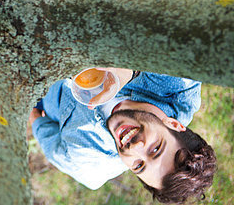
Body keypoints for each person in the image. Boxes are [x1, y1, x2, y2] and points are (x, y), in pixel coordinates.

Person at [28, 68, 216, 203]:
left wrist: (33, 116)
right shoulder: (179, 83)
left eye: (139, 165)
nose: (134, 149)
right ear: (173, 124)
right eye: (155, 149)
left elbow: (54, 149)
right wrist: (131, 71)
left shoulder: (89, 162)